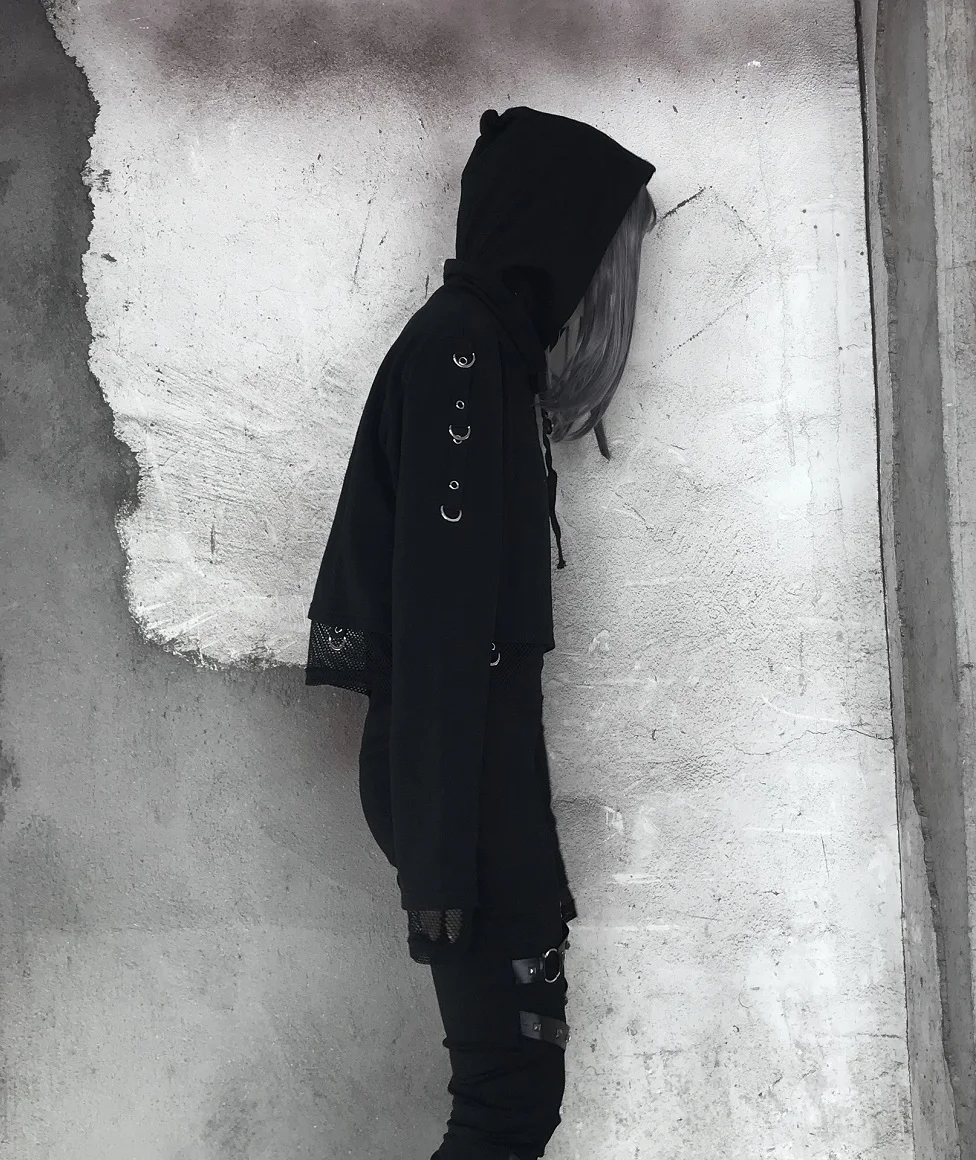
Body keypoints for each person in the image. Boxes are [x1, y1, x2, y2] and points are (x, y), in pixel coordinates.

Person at [305, 105, 657, 1160]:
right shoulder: (463, 353)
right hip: (456, 788)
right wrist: (441, 873)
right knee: (504, 1106)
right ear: (557, 235)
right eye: (606, 254)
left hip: (478, 781)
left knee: (513, 1100)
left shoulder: (484, 352)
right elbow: (441, 635)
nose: (609, 288)